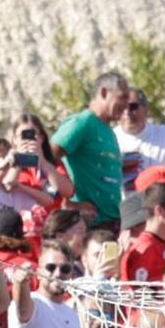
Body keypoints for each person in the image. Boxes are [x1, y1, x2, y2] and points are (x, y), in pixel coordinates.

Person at [52, 72, 130, 227]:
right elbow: (47, 157)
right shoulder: (83, 123)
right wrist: (68, 203)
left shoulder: (109, 131)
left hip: (112, 222)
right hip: (90, 227)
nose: (126, 105)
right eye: (122, 97)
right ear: (103, 93)